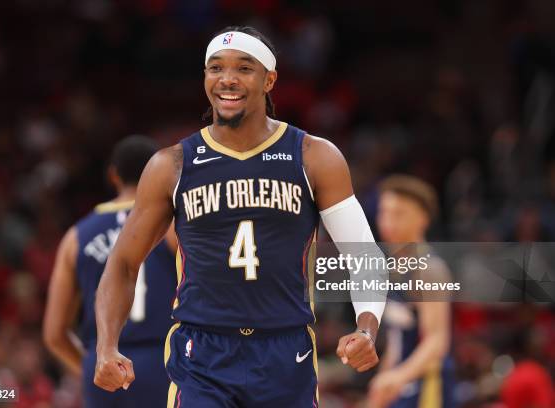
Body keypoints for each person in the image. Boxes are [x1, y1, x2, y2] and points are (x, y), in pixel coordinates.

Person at [94, 26, 384, 407]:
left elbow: (362, 252)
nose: (227, 79)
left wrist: (366, 328)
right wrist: (106, 346)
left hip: (286, 349)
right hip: (202, 351)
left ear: (270, 79)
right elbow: (123, 262)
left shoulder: (314, 156)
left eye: (244, 68)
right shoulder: (172, 164)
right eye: (215, 68)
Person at [43, 136, 177, 408]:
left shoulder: (75, 236)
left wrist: (91, 366)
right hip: (162, 359)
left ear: (113, 175)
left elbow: (54, 333)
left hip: (105, 362)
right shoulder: (172, 226)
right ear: (157, 173)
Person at [368, 175, 455, 408]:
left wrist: (399, 377)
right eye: (384, 212)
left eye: (399, 214)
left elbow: (437, 340)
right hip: (403, 384)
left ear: (422, 219)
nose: (388, 222)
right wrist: (383, 381)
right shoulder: (391, 268)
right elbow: (397, 341)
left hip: (429, 385)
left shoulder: (429, 269)